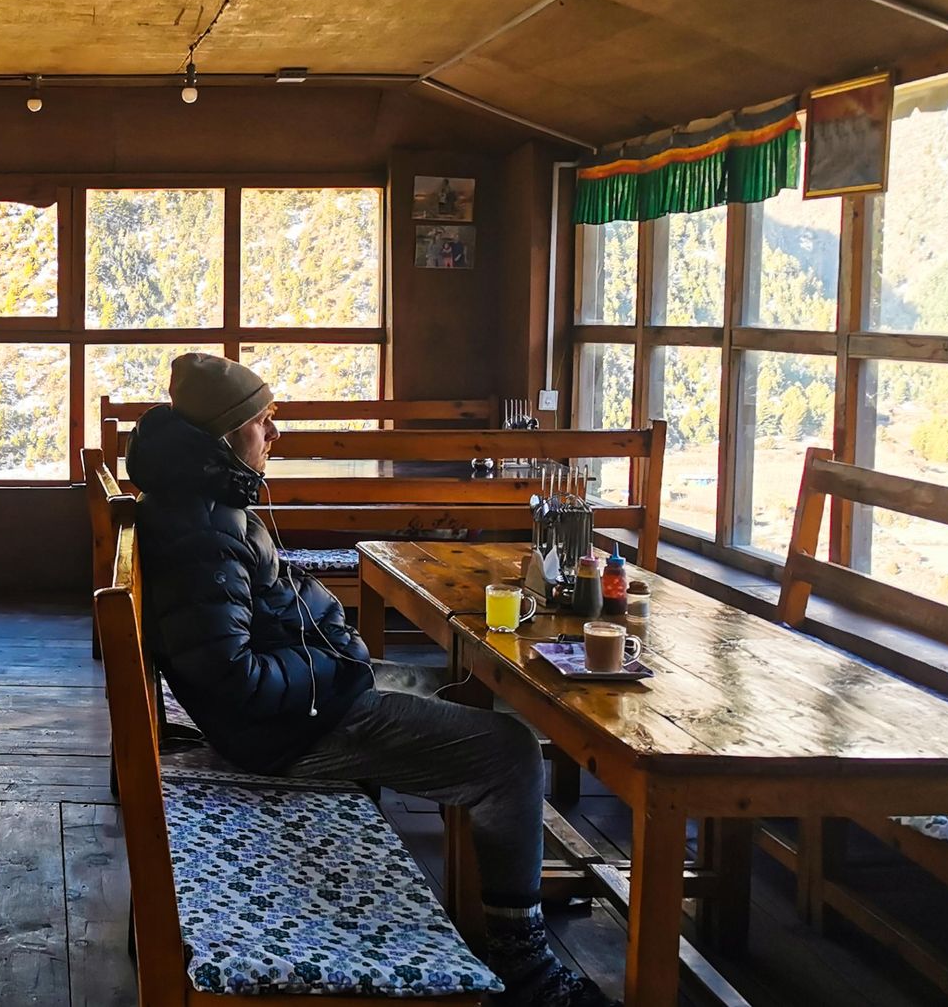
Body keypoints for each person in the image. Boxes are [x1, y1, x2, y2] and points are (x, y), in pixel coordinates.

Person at [127, 353, 614, 1007]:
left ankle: (491, 896)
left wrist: (331, 651)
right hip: (291, 731)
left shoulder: (204, 500)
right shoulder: (203, 530)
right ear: (224, 434)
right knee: (511, 752)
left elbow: (239, 639)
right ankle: (522, 960)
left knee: (454, 696)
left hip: (302, 706)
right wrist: (332, 663)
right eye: (261, 421)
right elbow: (233, 678)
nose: (274, 434)